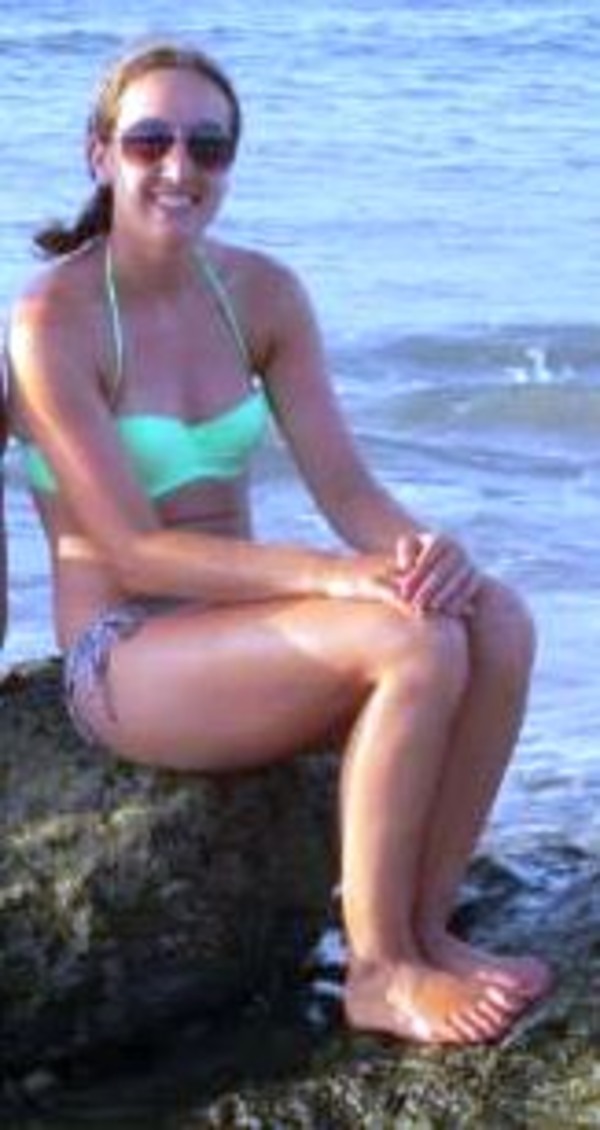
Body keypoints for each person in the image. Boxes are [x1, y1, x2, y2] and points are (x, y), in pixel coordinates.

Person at [6, 38, 551, 1046]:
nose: (179, 167)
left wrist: (425, 551)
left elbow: (346, 488)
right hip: (122, 656)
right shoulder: (53, 320)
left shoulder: (260, 294)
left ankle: (428, 927)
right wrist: (342, 581)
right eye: (150, 141)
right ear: (100, 154)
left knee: (495, 619)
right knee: (410, 640)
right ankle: (376, 971)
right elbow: (132, 551)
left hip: (243, 631)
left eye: (208, 146)